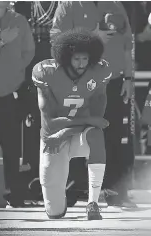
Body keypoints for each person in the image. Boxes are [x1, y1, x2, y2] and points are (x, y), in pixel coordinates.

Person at [50, 1, 137, 208]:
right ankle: (74, 188)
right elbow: (55, 40)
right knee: (76, 132)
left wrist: (129, 78)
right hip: (79, 80)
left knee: (114, 133)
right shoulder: (69, 6)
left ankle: (114, 190)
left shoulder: (115, 5)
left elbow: (127, 45)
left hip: (114, 81)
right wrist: (91, 37)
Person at [32, 28, 112, 220]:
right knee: (54, 212)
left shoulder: (99, 71)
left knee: (96, 135)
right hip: (53, 138)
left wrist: (67, 131)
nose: (81, 64)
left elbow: (97, 122)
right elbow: (50, 122)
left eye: (85, 59)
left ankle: (92, 203)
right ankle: (60, 201)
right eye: (77, 59)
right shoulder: (46, 72)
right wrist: (84, 122)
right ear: (66, 58)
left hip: (75, 135)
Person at [0, 1, 35, 208]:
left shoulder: (19, 20)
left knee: (12, 149)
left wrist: (14, 70)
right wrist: (0, 40)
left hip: (11, 93)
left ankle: (15, 196)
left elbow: (29, 51)